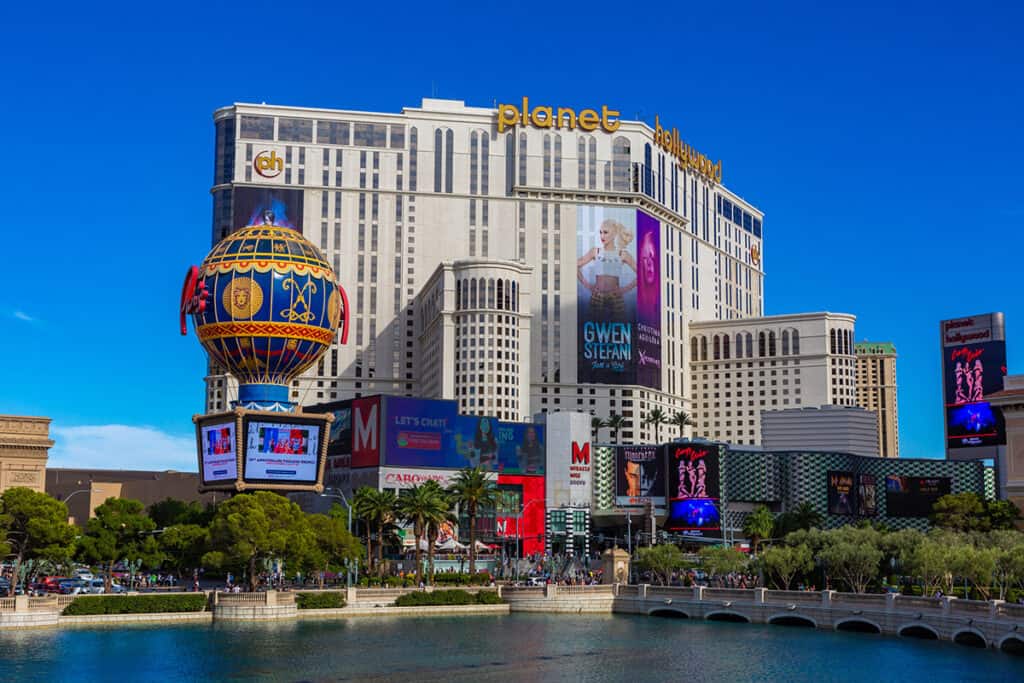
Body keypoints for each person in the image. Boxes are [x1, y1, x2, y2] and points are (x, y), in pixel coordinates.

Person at [577, 218, 637, 321]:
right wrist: (588, 286)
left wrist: (624, 289)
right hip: (597, 296)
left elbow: (641, 274)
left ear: (614, 234)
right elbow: (575, 265)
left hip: (615, 297)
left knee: (619, 327)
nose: (602, 236)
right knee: (593, 326)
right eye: (600, 232)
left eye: (605, 232)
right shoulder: (595, 251)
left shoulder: (622, 254)